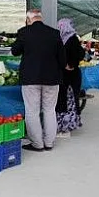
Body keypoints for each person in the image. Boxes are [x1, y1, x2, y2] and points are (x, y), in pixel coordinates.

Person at [11, 10, 66, 152]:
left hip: (31, 78)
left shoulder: (24, 32)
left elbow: (15, 51)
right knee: (49, 110)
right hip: (52, 79)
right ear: (40, 18)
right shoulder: (54, 33)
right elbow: (62, 59)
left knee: (32, 111)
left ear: (29, 20)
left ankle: (37, 143)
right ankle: (49, 143)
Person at [56, 18, 85, 138]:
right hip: (67, 75)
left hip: (69, 76)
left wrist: (71, 64)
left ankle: (66, 128)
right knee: (65, 101)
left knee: (67, 101)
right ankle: (64, 127)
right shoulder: (65, 39)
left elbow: (80, 54)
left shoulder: (71, 39)